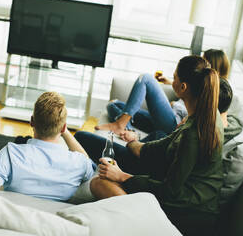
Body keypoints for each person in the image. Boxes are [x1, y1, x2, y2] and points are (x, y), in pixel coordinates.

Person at [90, 55, 224, 234]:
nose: (172, 80)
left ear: (183, 87)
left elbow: (170, 191)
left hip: (189, 213)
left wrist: (122, 177)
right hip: (191, 203)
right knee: (103, 178)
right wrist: (133, 143)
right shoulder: (208, 114)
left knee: (98, 184)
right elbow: (163, 145)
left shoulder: (193, 133)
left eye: (174, 77)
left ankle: (146, 226)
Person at [95, 49, 229, 137]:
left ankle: (120, 124)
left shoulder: (219, 93)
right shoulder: (198, 85)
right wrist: (171, 82)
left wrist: (183, 115)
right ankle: (128, 131)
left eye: (204, 60)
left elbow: (217, 121)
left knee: (146, 79)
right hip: (168, 117)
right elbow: (188, 91)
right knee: (113, 105)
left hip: (173, 123)